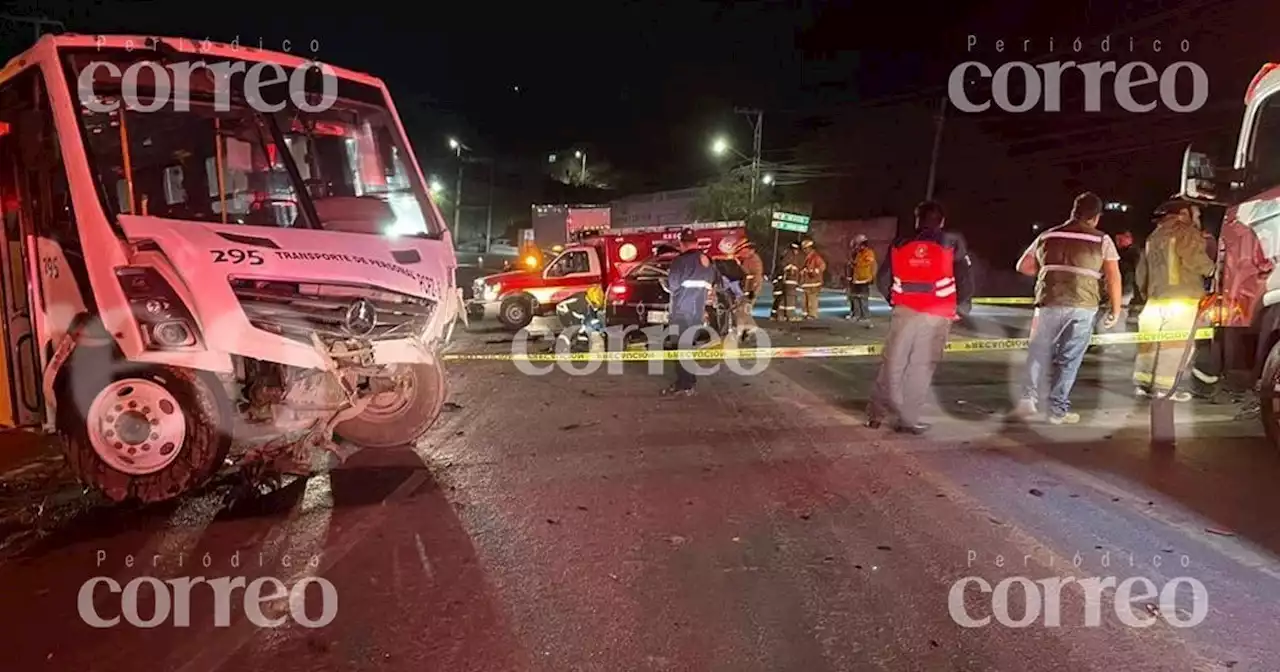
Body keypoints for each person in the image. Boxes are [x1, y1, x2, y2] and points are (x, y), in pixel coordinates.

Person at [1011, 192, 1123, 424]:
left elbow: (1023, 266)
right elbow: (1113, 277)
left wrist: (1051, 272)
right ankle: (1057, 411)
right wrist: (1116, 309)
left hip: (1049, 301)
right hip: (1084, 305)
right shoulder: (1102, 240)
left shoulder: (1048, 235)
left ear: (1074, 212)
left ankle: (1027, 400)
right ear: (1096, 217)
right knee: (1069, 358)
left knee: (1039, 350)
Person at [867, 201, 973, 434]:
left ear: (917, 220)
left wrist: (896, 300)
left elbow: (883, 278)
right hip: (937, 314)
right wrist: (959, 307)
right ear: (942, 221)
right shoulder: (952, 244)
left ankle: (876, 415)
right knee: (921, 366)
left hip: (904, 311)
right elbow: (965, 281)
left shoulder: (900, 243)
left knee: (893, 362)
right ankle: (908, 420)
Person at [1132, 197, 1216, 401]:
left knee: (1150, 345)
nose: (1197, 217)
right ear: (1183, 213)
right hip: (1181, 299)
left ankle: (1144, 385)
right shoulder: (1185, 231)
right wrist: (1214, 271)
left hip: (1155, 300)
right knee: (1175, 346)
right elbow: (1194, 258)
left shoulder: (1154, 236)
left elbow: (1141, 271)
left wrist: (1147, 294)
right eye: (1195, 212)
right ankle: (1165, 389)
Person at [662, 228, 718, 396]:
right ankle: (690, 381)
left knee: (681, 348)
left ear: (681, 244)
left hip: (682, 311)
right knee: (689, 346)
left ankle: (684, 384)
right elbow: (713, 283)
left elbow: (672, 285)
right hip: (697, 312)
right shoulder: (707, 260)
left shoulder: (680, 261)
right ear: (696, 242)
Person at [732, 240, 764, 339]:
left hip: (751, 288)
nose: (743, 253)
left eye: (745, 251)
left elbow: (753, 275)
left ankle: (749, 328)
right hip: (748, 288)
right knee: (742, 309)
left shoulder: (754, 260)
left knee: (743, 309)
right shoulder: (750, 259)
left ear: (751, 250)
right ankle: (745, 329)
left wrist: (752, 291)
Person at [846, 234, 877, 326]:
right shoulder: (858, 254)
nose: (856, 247)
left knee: (863, 298)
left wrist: (855, 263)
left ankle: (865, 316)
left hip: (864, 279)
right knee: (855, 297)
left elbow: (867, 264)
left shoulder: (869, 253)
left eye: (857, 245)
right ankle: (856, 314)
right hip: (857, 279)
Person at [772, 242, 802, 321]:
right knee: (790, 299)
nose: (797, 252)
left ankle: (780, 315)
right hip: (790, 282)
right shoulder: (791, 257)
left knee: (782, 299)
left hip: (784, 283)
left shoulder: (786, 256)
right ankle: (790, 315)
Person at [799, 238, 826, 319]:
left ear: (809, 248)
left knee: (812, 298)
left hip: (814, 282)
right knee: (805, 299)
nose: (804, 250)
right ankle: (806, 313)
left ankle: (812, 314)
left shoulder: (815, 257)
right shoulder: (806, 257)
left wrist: (814, 271)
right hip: (807, 282)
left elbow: (822, 266)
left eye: (805, 248)